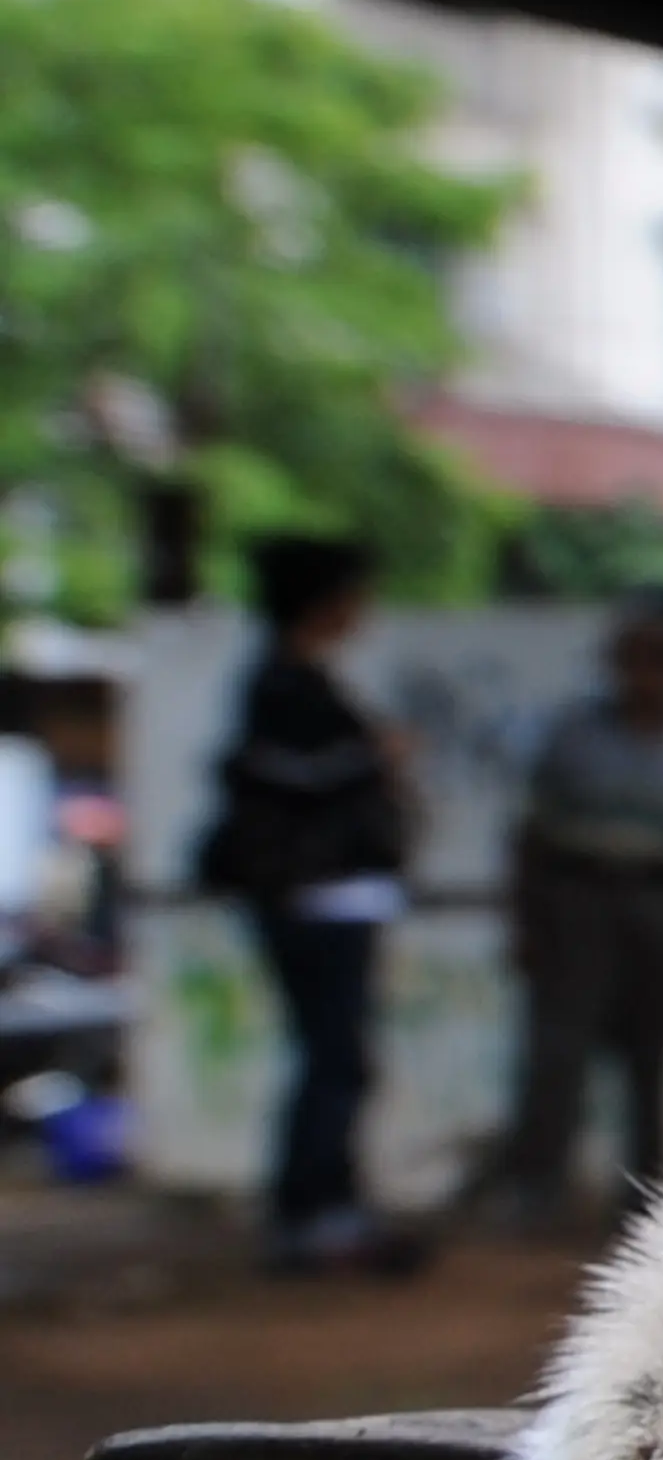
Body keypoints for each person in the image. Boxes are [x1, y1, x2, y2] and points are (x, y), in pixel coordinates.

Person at [196, 535, 423, 1276]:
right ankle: (313, 1217)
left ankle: (327, 1210)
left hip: (334, 899)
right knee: (334, 1059)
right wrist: (375, 758)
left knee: (338, 1059)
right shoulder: (280, 686)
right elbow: (287, 776)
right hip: (312, 902)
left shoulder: (299, 681)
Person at [499, 591, 663, 1227]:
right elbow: (531, 835)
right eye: (637, 660)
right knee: (560, 1051)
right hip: (581, 901)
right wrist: (525, 923)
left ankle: (643, 1197)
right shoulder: (576, 734)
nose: (649, 675)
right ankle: (536, 1189)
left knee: (656, 1055)